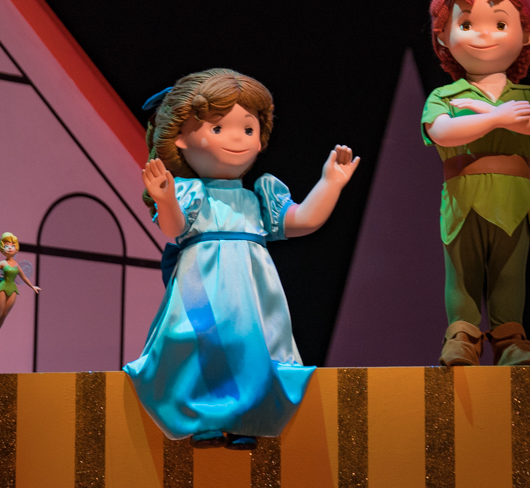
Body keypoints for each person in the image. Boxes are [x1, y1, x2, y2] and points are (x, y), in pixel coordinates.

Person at [124, 69, 358, 450]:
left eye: (248, 129)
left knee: (251, 348)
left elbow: (303, 220)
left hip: (251, 291)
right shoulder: (191, 192)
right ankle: (202, 418)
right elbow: (174, 228)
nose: (237, 139)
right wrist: (165, 198)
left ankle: (250, 418)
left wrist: (330, 183)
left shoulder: (258, 197)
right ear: (180, 137)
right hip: (201, 285)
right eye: (218, 128)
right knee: (198, 346)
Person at [424, 0, 530, 367]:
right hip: (462, 199)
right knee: (461, 273)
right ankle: (461, 335)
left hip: (514, 199)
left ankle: (509, 338)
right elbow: (442, 132)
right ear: (443, 36)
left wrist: (492, 114)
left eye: (500, 24)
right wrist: (495, 117)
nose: (483, 35)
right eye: (466, 24)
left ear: (526, 34)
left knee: (509, 273)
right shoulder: (445, 96)